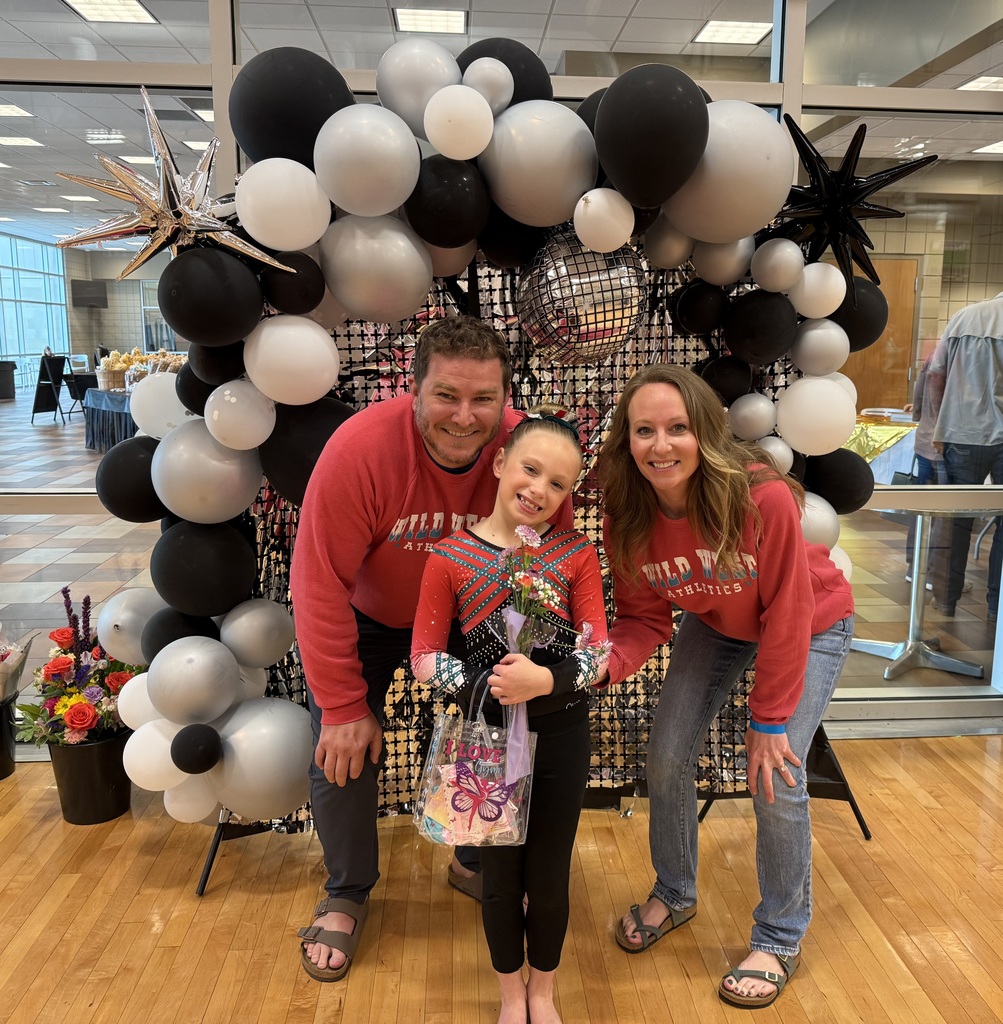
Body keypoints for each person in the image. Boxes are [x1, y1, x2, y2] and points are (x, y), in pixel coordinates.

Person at [290, 316, 571, 983]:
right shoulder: (360, 450)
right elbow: (318, 583)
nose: (464, 417)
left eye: (483, 399)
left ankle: (472, 860)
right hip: (373, 613)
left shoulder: (528, 451)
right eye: (446, 395)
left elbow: (543, 562)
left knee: (503, 724)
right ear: (413, 390)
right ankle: (346, 892)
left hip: (472, 612)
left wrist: (523, 662)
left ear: (506, 399)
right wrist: (342, 706)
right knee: (342, 742)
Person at [596, 364, 854, 1010]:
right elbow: (642, 620)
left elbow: (788, 610)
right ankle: (675, 891)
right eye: (644, 430)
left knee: (776, 772)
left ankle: (779, 937)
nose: (661, 445)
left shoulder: (758, 496)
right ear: (626, 439)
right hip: (719, 619)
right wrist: (599, 666)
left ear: (705, 432)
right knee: (666, 754)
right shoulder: (625, 509)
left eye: (677, 428)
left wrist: (768, 721)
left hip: (810, 621)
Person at [412, 414, 609, 1024]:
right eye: (530, 469)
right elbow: (423, 656)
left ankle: (543, 990)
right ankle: (509, 993)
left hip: (562, 736)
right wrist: (487, 684)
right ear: (499, 464)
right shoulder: (450, 557)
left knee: (548, 876)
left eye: (558, 483)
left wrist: (545, 681)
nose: (539, 490)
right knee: (498, 877)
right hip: (488, 741)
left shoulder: (575, 554)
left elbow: (599, 652)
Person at [927, 292, 1003, 620]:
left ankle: (946, 600)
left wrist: (938, 425)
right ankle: (997, 606)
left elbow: (936, 374)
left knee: (955, 522)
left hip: (961, 432)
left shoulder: (964, 317)